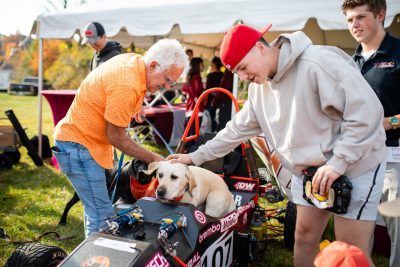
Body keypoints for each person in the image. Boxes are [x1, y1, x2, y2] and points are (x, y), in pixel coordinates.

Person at [167, 23, 387, 267]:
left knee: (349, 253)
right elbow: (235, 131)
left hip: (355, 165)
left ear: (259, 49)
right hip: (311, 174)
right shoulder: (258, 90)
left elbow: (367, 113)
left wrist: (338, 162)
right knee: (303, 238)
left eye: (242, 68)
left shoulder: (319, 62)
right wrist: (193, 157)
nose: (242, 77)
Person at [53, 39, 188, 237]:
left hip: (84, 143)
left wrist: (135, 106)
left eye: (172, 83)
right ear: (153, 65)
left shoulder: (135, 63)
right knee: (103, 218)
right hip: (79, 146)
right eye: (167, 80)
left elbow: (122, 88)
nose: (167, 87)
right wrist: (154, 158)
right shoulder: (127, 83)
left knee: (96, 210)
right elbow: (116, 137)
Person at [342, 1, 400, 266]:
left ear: (380, 15)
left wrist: (392, 121)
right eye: (350, 20)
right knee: (357, 226)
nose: (354, 25)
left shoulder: (398, 52)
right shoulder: (350, 62)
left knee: (397, 225)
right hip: (356, 158)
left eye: (360, 17)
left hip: (392, 157)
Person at [181, 57, 205, 142]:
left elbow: (185, 90)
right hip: (196, 108)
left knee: (190, 132)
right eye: (202, 64)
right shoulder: (196, 77)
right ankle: (189, 151)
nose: (204, 66)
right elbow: (196, 94)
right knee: (193, 133)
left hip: (191, 107)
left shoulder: (191, 77)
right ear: (197, 66)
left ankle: (186, 150)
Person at [205, 56, 224, 132]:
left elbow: (208, 90)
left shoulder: (210, 76)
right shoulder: (223, 74)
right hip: (221, 101)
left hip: (211, 102)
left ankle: (212, 136)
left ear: (214, 64)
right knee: (219, 120)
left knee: (212, 121)